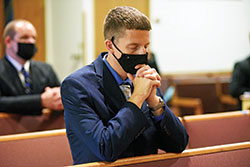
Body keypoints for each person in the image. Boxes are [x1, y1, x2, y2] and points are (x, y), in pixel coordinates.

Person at [61, 6, 188, 165]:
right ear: (110, 46)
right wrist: (137, 97)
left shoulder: (144, 77)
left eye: (146, 46)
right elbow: (106, 148)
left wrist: (154, 102)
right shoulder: (77, 86)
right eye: (133, 47)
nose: (142, 53)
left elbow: (179, 144)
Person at [0, 19, 63, 115]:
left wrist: (59, 96)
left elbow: (60, 97)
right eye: (24, 37)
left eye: (33, 38)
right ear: (8, 41)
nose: (31, 41)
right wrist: (40, 101)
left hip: (45, 127)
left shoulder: (46, 70)